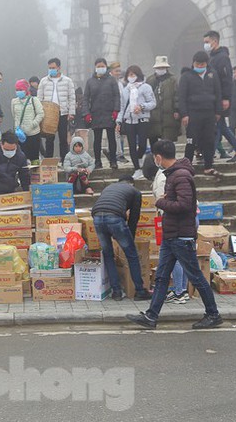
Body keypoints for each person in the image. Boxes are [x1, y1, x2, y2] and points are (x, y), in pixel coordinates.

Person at [127, 140, 223, 329]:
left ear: (158, 157)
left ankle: (213, 314)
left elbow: (185, 205)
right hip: (172, 235)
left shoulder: (180, 176)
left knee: (195, 276)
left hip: (181, 236)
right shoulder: (173, 175)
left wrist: (161, 202)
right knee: (162, 277)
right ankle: (151, 316)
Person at [91, 176, 152, 301]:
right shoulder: (135, 192)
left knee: (108, 255)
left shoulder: (109, 187)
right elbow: (134, 218)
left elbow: (103, 203)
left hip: (97, 217)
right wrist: (130, 238)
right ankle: (140, 291)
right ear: (132, 184)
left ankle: (116, 292)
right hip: (114, 217)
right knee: (132, 255)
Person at [142, 154, 190, 304]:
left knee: (175, 257)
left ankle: (180, 291)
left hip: (174, 221)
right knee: (180, 258)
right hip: (176, 220)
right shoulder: (166, 176)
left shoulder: (163, 178)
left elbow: (169, 201)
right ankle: (180, 290)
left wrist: (161, 205)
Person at [204, 31, 236, 162]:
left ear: (214, 41)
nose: (205, 45)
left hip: (220, 97)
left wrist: (225, 97)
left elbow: (226, 79)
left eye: (207, 42)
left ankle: (209, 155)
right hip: (214, 96)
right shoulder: (212, 57)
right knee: (221, 126)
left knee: (217, 126)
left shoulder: (222, 57)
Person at [180, 51, 222, 177]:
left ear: (206, 63)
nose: (199, 66)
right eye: (197, 64)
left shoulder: (212, 74)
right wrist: (184, 114)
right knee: (191, 141)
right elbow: (182, 97)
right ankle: (186, 167)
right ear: (193, 63)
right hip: (193, 113)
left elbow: (218, 93)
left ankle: (208, 166)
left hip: (209, 113)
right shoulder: (186, 76)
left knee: (209, 140)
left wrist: (218, 111)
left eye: (202, 64)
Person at [117, 65, 156, 180]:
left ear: (138, 75)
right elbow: (122, 107)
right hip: (129, 120)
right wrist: (119, 121)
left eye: (133, 74)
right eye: (129, 75)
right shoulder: (125, 90)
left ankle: (140, 159)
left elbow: (153, 103)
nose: (131, 77)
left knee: (143, 144)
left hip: (142, 119)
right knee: (132, 145)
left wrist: (142, 106)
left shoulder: (146, 87)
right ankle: (137, 168)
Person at [83, 58, 121, 169]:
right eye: (98, 66)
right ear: (95, 67)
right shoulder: (90, 82)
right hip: (95, 114)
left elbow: (116, 96)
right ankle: (98, 162)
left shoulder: (112, 80)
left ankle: (113, 161)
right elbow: (86, 98)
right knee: (97, 139)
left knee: (111, 138)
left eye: (102, 66)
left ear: (106, 66)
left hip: (109, 113)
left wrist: (116, 110)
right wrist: (86, 113)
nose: (100, 68)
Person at [37, 57, 76, 162]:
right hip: (48, 114)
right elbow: (39, 98)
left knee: (63, 138)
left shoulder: (68, 81)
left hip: (62, 112)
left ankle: (64, 160)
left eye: (53, 67)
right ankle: (48, 161)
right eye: (49, 68)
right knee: (49, 138)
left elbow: (72, 97)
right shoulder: (44, 81)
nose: (51, 70)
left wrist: (71, 112)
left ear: (59, 67)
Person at [0, 130, 30, 199]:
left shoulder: (20, 156)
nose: (10, 152)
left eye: (12, 150)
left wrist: (27, 191)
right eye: (7, 150)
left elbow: (24, 175)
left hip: (11, 191)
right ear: (1, 144)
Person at [146, 56, 180, 144]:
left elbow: (177, 96)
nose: (161, 69)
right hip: (153, 114)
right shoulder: (150, 80)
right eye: (159, 68)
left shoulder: (173, 80)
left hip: (168, 114)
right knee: (153, 137)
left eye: (162, 67)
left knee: (168, 139)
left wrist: (176, 110)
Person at [11, 79, 43, 164]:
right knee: (22, 158)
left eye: (20, 89)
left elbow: (40, 114)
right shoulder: (14, 102)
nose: (18, 92)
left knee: (34, 158)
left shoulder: (34, 100)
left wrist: (33, 124)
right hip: (20, 135)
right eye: (17, 90)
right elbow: (14, 116)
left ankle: (35, 176)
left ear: (26, 89)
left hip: (33, 134)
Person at [109, 61, 129, 164]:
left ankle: (120, 152)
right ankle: (118, 154)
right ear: (111, 71)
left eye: (119, 71)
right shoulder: (109, 82)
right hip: (113, 112)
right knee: (116, 133)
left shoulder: (120, 83)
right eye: (116, 71)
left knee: (120, 134)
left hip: (121, 111)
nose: (118, 73)